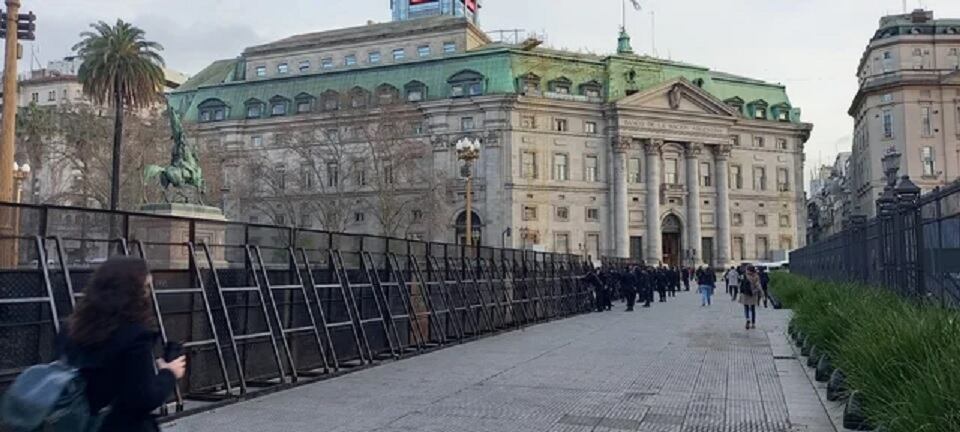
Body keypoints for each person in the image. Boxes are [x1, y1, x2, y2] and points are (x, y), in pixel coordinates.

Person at [58, 257, 186, 432]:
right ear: (132, 294)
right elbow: (143, 398)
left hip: (75, 423)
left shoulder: (70, 329)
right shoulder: (135, 337)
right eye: (146, 288)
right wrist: (169, 373)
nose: (149, 295)